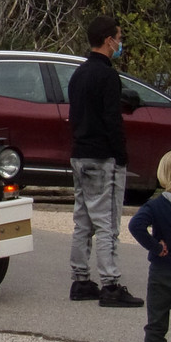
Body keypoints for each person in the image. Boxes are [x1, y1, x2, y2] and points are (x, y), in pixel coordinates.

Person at [67, 16, 143, 307]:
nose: (120, 43)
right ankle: (111, 284)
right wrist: (120, 154)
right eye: (118, 37)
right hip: (102, 156)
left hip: (80, 153)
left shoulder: (78, 74)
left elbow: (75, 116)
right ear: (108, 40)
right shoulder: (108, 76)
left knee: (83, 220)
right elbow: (112, 119)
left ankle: (80, 279)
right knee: (108, 221)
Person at [128, 148, 171, 342]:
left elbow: (135, 225)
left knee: (156, 328)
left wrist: (156, 247)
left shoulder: (156, 205)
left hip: (161, 274)